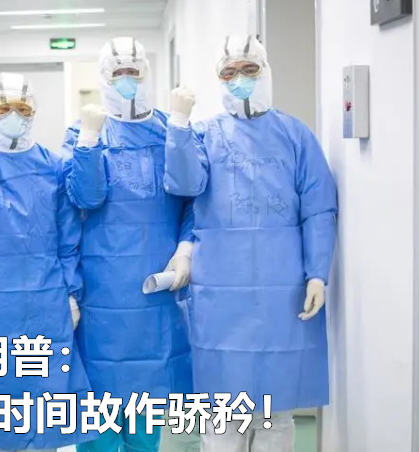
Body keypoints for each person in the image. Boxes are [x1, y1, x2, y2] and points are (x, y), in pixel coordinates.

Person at [163, 34, 338, 452]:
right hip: (220, 293)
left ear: (265, 70)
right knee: (222, 411)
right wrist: (179, 125)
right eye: (228, 72)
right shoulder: (204, 135)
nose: (239, 78)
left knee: (276, 412)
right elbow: (184, 184)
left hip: (282, 291)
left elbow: (318, 208)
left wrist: (317, 273)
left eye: (248, 69)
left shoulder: (295, 135)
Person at [63, 37, 198, 452]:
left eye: (134, 72)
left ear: (147, 74)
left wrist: (186, 248)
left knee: (144, 416)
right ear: (104, 77)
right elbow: (82, 199)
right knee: (96, 418)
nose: (127, 80)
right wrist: (89, 141)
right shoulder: (82, 134)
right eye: (118, 72)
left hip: (154, 292)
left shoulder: (170, 129)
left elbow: (193, 196)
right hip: (100, 292)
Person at [0, 72, 95, 452]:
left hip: (45, 303)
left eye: (22, 108)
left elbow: (67, 239)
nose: (14, 115)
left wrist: (71, 294)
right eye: (4, 108)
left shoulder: (52, 166)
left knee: (43, 408)